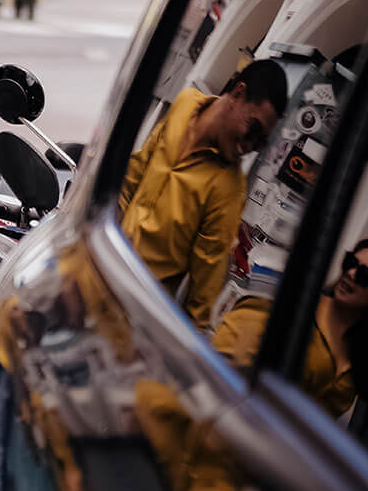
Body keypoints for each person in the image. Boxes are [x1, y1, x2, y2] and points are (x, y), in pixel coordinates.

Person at [118, 60, 289, 329]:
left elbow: (205, 288)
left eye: (260, 142)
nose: (249, 147)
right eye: (252, 130)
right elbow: (135, 174)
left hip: (134, 310)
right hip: (101, 265)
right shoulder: (186, 103)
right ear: (237, 94)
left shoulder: (228, 191)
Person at [213, 240, 368, 418]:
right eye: (350, 263)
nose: (351, 273)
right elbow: (225, 358)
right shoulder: (295, 306)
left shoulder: (362, 354)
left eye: (365, 276)